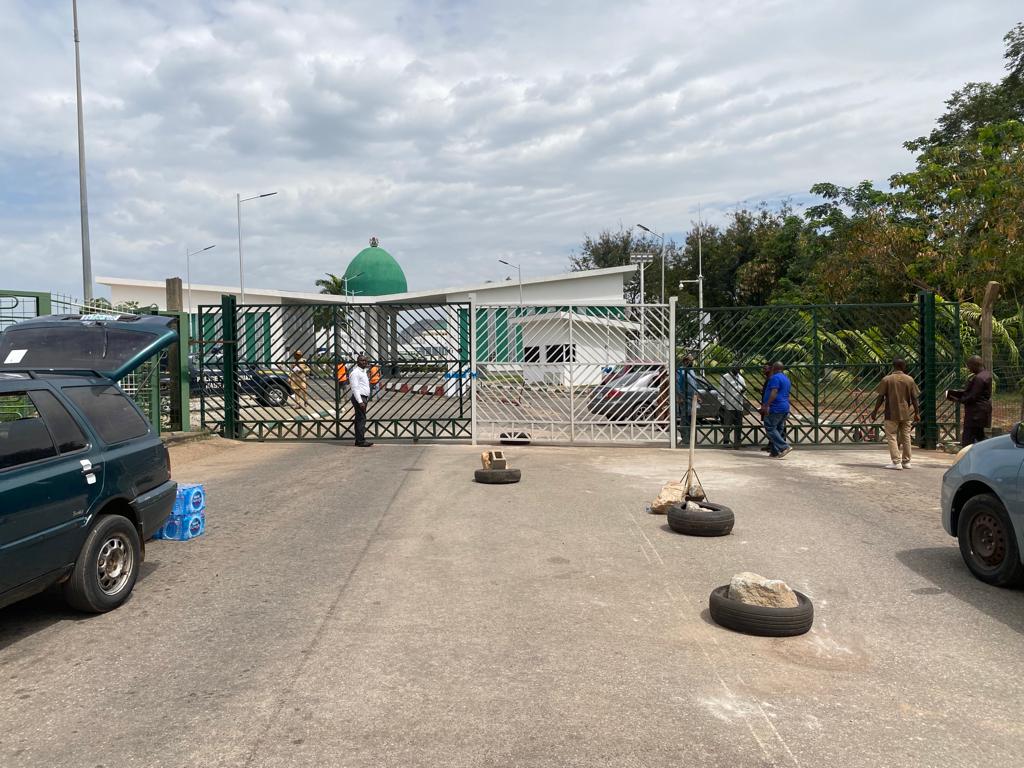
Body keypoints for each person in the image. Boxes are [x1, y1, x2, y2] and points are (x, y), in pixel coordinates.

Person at [870, 358, 920, 470]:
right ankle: (906, 462)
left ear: (893, 366)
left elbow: (880, 397)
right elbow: (914, 398)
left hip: (891, 413)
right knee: (906, 436)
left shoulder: (887, 379)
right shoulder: (910, 380)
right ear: (904, 366)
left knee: (892, 436)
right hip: (906, 413)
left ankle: (896, 462)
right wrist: (917, 413)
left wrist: (875, 411)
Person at [947, 355, 992, 446]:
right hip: (982, 412)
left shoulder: (978, 378)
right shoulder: (986, 375)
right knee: (979, 436)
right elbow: (979, 393)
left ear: (974, 365)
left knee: (968, 438)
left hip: (975, 414)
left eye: (969, 366)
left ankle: (965, 456)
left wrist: (958, 399)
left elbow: (972, 396)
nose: (969, 369)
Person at [760, 361, 792, 458]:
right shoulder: (786, 378)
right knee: (778, 429)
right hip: (784, 407)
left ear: (774, 368)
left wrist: (766, 405)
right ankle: (775, 451)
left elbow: (774, 392)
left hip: (775, 407)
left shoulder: (775, 378)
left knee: (770, 427)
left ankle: (784, 447)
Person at [719, 365, 746, 448]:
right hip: (729, 405)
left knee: (738, 426)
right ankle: (726, 442)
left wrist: (743, 393)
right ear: (732, 368)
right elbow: (721, 391)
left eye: (739, 368)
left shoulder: (741, 378)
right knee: (727, 425)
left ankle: (737, 442)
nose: (737, 370)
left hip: (738, 405)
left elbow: (744, 389)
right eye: (736, 368)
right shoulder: (725, 377)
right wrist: (722, 403)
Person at [349, 354, 373, 447]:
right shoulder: (355, 373)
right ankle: (361, 441)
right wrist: (360, 401)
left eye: (365, 360)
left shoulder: (363, 371)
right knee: (361, 419)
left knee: (360, 419)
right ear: (357, 362)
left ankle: (358, 440)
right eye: (362, 360)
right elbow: (355, 388)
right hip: (359, 398)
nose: (364, 362)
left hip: (363, 397)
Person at [676, 355, 701, 443]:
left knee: (692, 418)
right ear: (685, 361)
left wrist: (697, 395)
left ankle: (693, 439)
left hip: (693, 398)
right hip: (684, 397)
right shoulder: (680, 370)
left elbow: (694, 384)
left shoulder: (692, 370)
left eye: (692, 360)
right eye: (690, 360)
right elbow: (678, 384)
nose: (691, 362)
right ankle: (685, 438)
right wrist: (679, 397)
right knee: (685, 418)